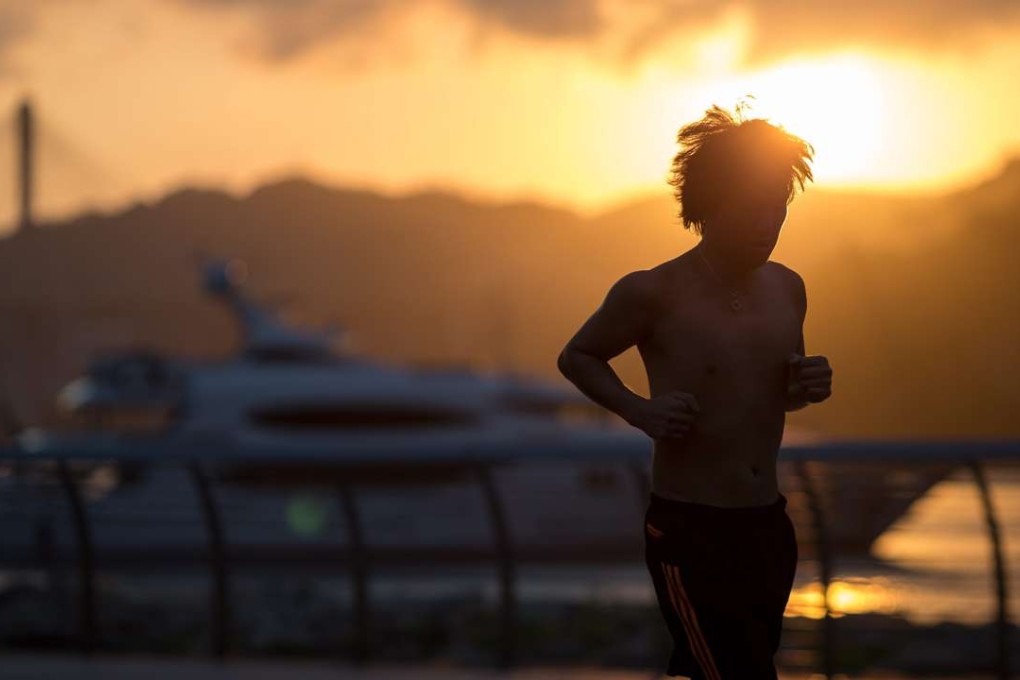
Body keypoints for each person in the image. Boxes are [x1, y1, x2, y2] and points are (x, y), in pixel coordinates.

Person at [556, 101, 833, 679]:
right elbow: (577, 356)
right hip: (690, 528)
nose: (767, 226)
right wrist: (639, 410)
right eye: (752, 211)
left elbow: (778, 394)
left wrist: (807, 384)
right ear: (709, 206)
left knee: (735, 667)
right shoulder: (653, 292)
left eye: (777, 211)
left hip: (768, 524)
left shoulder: (788, 289)